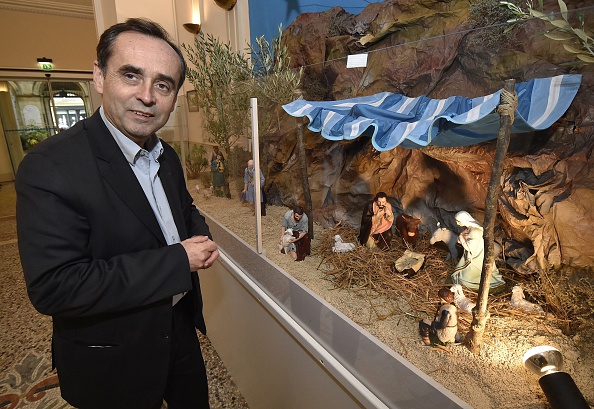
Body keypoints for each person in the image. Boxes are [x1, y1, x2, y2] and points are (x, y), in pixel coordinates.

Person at [15, 18, 219, 409]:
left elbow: (183, 208)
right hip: (111, 355)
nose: (147, 96)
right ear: (99, 76)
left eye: (163, 84)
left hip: (178, 332)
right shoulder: (50, 166)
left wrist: (200, 234)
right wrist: (179, 260)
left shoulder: (166, 154)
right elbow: (56, 287)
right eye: (131, 75)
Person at [450, 211, 505, 291]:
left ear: (464, 220)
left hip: (478, 258)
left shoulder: (475, 231)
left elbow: (469, 248)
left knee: (466, 278)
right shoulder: (470, 229)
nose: (457, 223)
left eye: (458, 221)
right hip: (473, 255)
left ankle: (489, 282)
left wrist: (462, 237)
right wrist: (462, 237)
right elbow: (461, 241)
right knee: (461, 274)